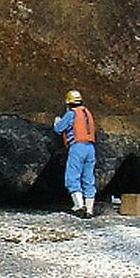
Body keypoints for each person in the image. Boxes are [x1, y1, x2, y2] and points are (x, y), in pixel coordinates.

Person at [53, 89, 97, 218]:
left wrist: (57, 121)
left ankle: (79, 205)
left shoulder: (71, 113)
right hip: (90, 148)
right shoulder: (87, 112)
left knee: (72, 177)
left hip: (78, 147)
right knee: (88, 179)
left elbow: (59, 129)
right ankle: (90, 209)